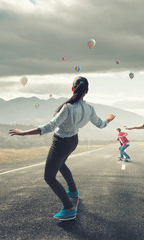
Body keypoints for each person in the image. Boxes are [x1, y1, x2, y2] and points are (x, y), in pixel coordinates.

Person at [8, 76, 115, 219]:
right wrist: (108, 118)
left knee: (49, 177)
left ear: (72, 89)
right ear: (87, 91)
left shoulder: (68, 107)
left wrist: (24, 133)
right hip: (73, 141)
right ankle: (73, 191)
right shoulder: (90, 108)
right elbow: (101, 124)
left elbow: (49, 127)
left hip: (60, 143)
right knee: (61, 164)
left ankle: (69, 207)